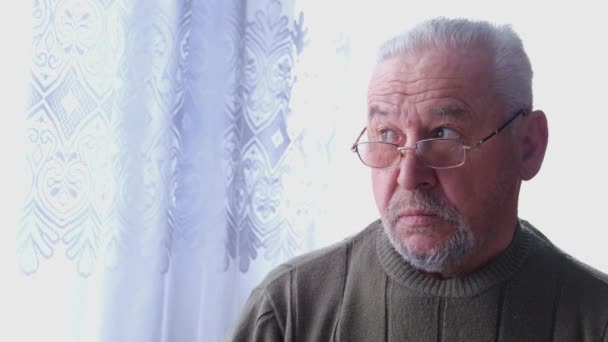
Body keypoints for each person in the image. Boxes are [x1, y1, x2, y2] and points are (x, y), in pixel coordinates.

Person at [229, 17, 608, 341]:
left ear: (528, 146)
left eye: (444, 135)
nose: (409, 177)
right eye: (388, 135)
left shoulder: (595, 319)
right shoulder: (288, 311)